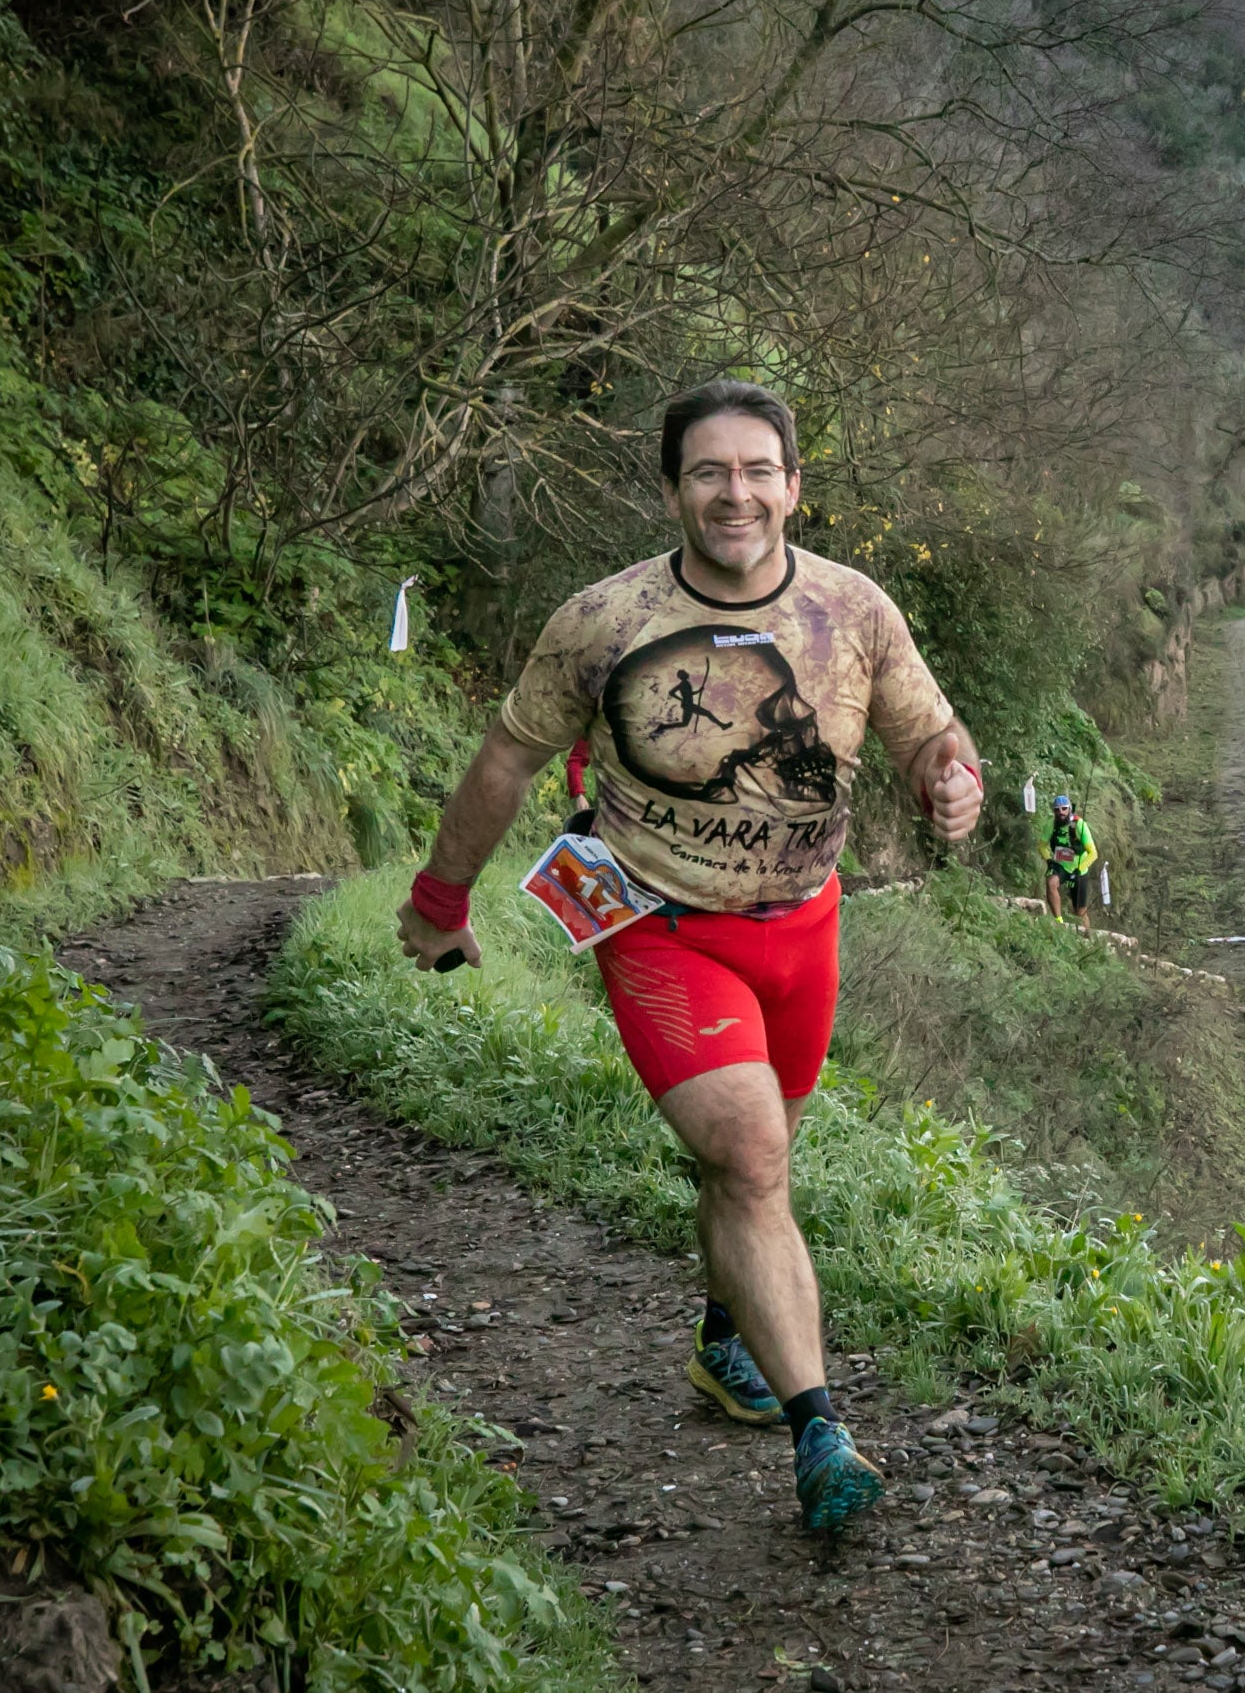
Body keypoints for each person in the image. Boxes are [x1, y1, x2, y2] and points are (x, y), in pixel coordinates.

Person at [395, 378, 984, 1532]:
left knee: (753, 1169)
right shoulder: (606, 622)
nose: (736, 493)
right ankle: (822, 1435)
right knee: (753, 1156)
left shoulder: (853, 610)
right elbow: (510, 759)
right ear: (671, 489)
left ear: (794, 486)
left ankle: (727, 1343)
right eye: (709, 471)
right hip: (660, 926)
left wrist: (950, 779)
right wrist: (439, 895)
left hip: (805, 923)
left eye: (759, 470)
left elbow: (929, 731)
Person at [1043, 795, 1097, 936]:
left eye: (1064, 809)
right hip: (1060, 865)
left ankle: (1087, 937)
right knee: (1051, 882)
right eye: (1057, 810)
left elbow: (1093, 853)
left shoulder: (1079, 825)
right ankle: (1058, 921)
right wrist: (1048, 859)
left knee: (1080, 911)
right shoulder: (1051, 824)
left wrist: (1079, 869)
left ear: (1070, 809)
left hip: (1079, 868)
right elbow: (1041, 845)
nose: (1061, 812)